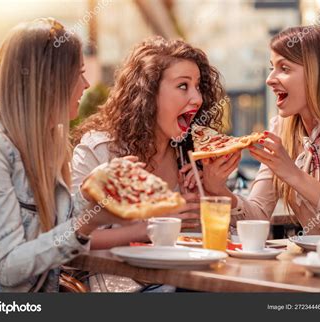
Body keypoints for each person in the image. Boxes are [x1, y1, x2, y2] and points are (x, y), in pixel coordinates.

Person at [0, 18, 127, 292]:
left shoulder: (45, 143)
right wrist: (85, 225)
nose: (86, 84)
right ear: (49, 81)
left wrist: (93, 191)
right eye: (79, 72)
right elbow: (8, 265)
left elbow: (50, 233)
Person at [202, 25, 320, 235]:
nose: (270, 79)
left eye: (284, 69)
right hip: (309, 265)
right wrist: (218, 190)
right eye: (272, 69)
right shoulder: (282, 127)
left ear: (317, 73)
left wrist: (293, 174)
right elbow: (257, 215)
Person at [71, 36, 228, 291]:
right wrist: (151, 227)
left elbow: (198, 242)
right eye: (183, 86)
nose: (197, 98)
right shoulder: (99, 150)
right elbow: (70, 238)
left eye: (198, 86)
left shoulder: (188, 154)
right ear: (148, 93)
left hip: (182, 282)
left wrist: (207, 203)